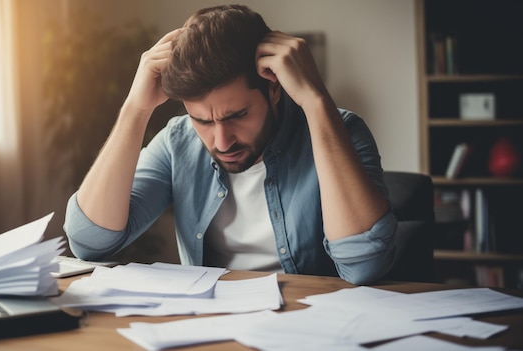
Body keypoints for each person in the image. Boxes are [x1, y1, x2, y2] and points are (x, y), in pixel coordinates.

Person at [63, 4, 397, 285]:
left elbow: (364, 267)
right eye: (203, 121)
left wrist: (315, 100)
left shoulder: (343, 130)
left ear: (275, 88)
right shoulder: (178, 142)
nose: (221, 142)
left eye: (237, 115)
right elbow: (89, 243)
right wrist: (136, 110)